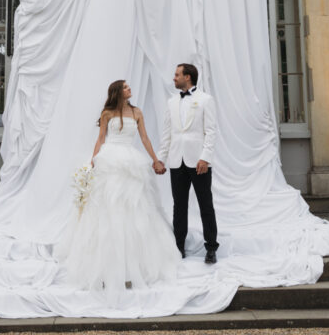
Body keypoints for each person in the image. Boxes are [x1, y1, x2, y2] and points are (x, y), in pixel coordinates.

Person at [61, 79, 180, 300]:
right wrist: (93, 161)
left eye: (129, 87)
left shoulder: (137, 112)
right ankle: (106, 266)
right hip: (110, 158)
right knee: (108, 208)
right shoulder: (107, 113)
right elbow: (100, 139)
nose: (130, 89)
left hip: (130, 159)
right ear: (118, 92)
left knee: (135, 207)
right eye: (125, 87)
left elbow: (144, 138)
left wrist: (156, 160)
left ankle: (135, 265)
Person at [158, 63, 219, 264]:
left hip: (199, 160)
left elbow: (210, 131)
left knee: (205, 204)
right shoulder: (171, 102)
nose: (174, 78)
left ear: (188, 77)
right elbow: (167, 133)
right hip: (177, 160)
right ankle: (179, 247)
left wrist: (205, 158)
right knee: (179, 206)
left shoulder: (205, 100)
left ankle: (211, 247)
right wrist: (161, 158)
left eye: (177, 75)